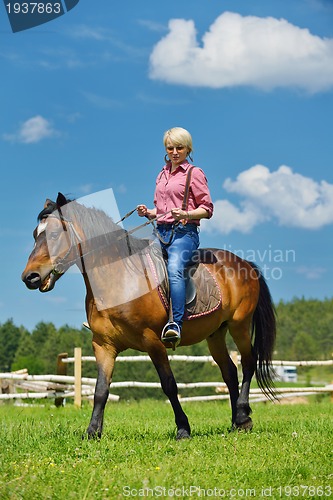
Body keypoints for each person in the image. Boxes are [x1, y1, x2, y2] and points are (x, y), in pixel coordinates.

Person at [137, 127, 213, 346]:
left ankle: (175, 324)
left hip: (184, 234)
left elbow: (207, 209)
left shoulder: (194, 173)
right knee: (132, 261)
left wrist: (187, 214)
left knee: (174, 269)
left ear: (188, 148)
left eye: (179, 147)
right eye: (170, 148)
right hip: (160, 232)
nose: (175, 152)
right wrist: (148, 213)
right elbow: (161, 210)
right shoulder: (161, 174)